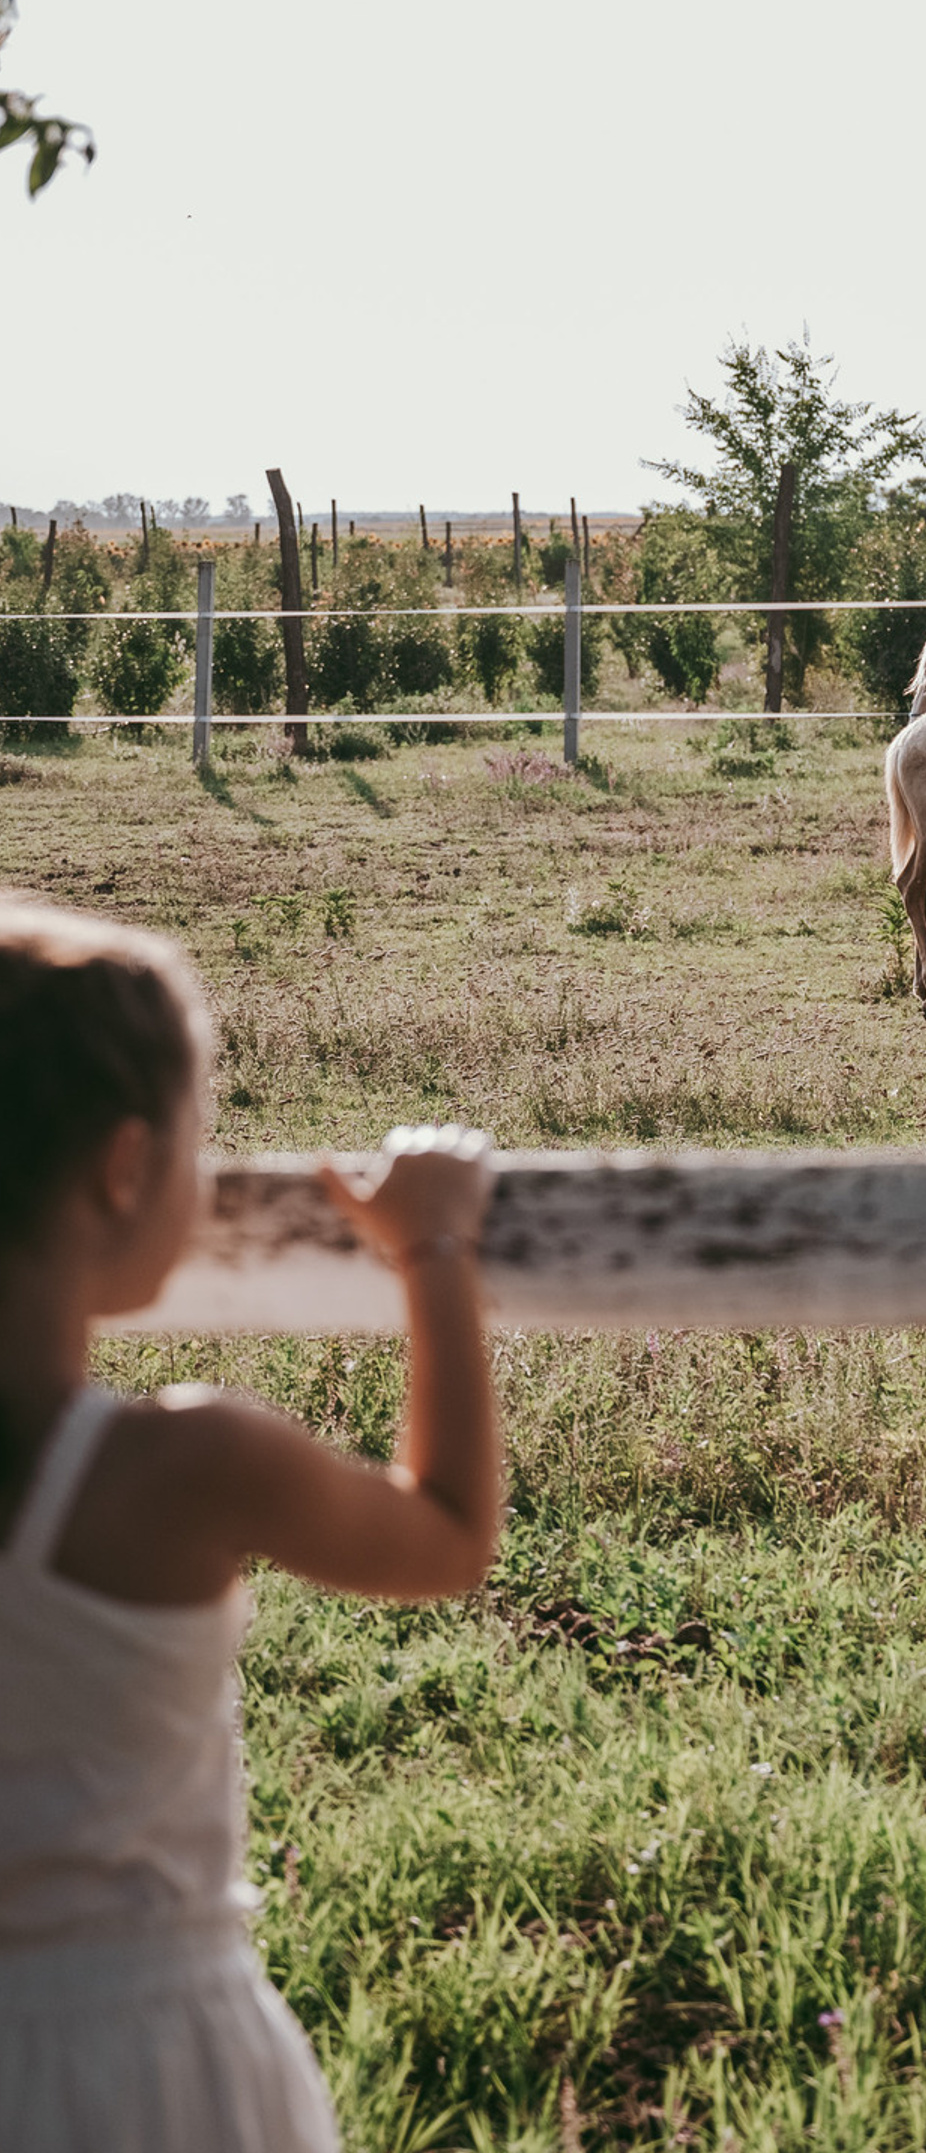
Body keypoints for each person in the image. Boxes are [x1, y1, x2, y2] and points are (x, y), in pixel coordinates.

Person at [0, 901, 502, 2152]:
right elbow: (447, 1535)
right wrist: (433, 1246)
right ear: (124, 1170)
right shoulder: (185, 1466)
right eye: (195, 1142)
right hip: (146, 2062)